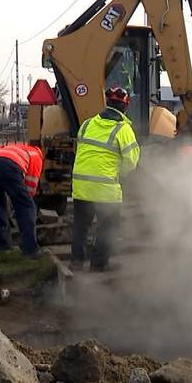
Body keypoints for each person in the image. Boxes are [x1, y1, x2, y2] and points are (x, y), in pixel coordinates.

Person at [70, 87, 140, 271]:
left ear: (107, 103)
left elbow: (82, 151)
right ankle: (98, 264)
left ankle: (76, 262)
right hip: (105, 188)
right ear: (125, 107)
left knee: (80, 226)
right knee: (109, 227)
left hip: (81, 186)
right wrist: (119, 174)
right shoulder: (124, 129)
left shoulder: (87, 124)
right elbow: (131, 161)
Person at [0, 142, 44, 256]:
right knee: (27, 206)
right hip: (8, 166)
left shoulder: (18, 148)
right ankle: (31, 250)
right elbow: (30, 187)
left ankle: (5, 246)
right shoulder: (36, 156)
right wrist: (22, 205)